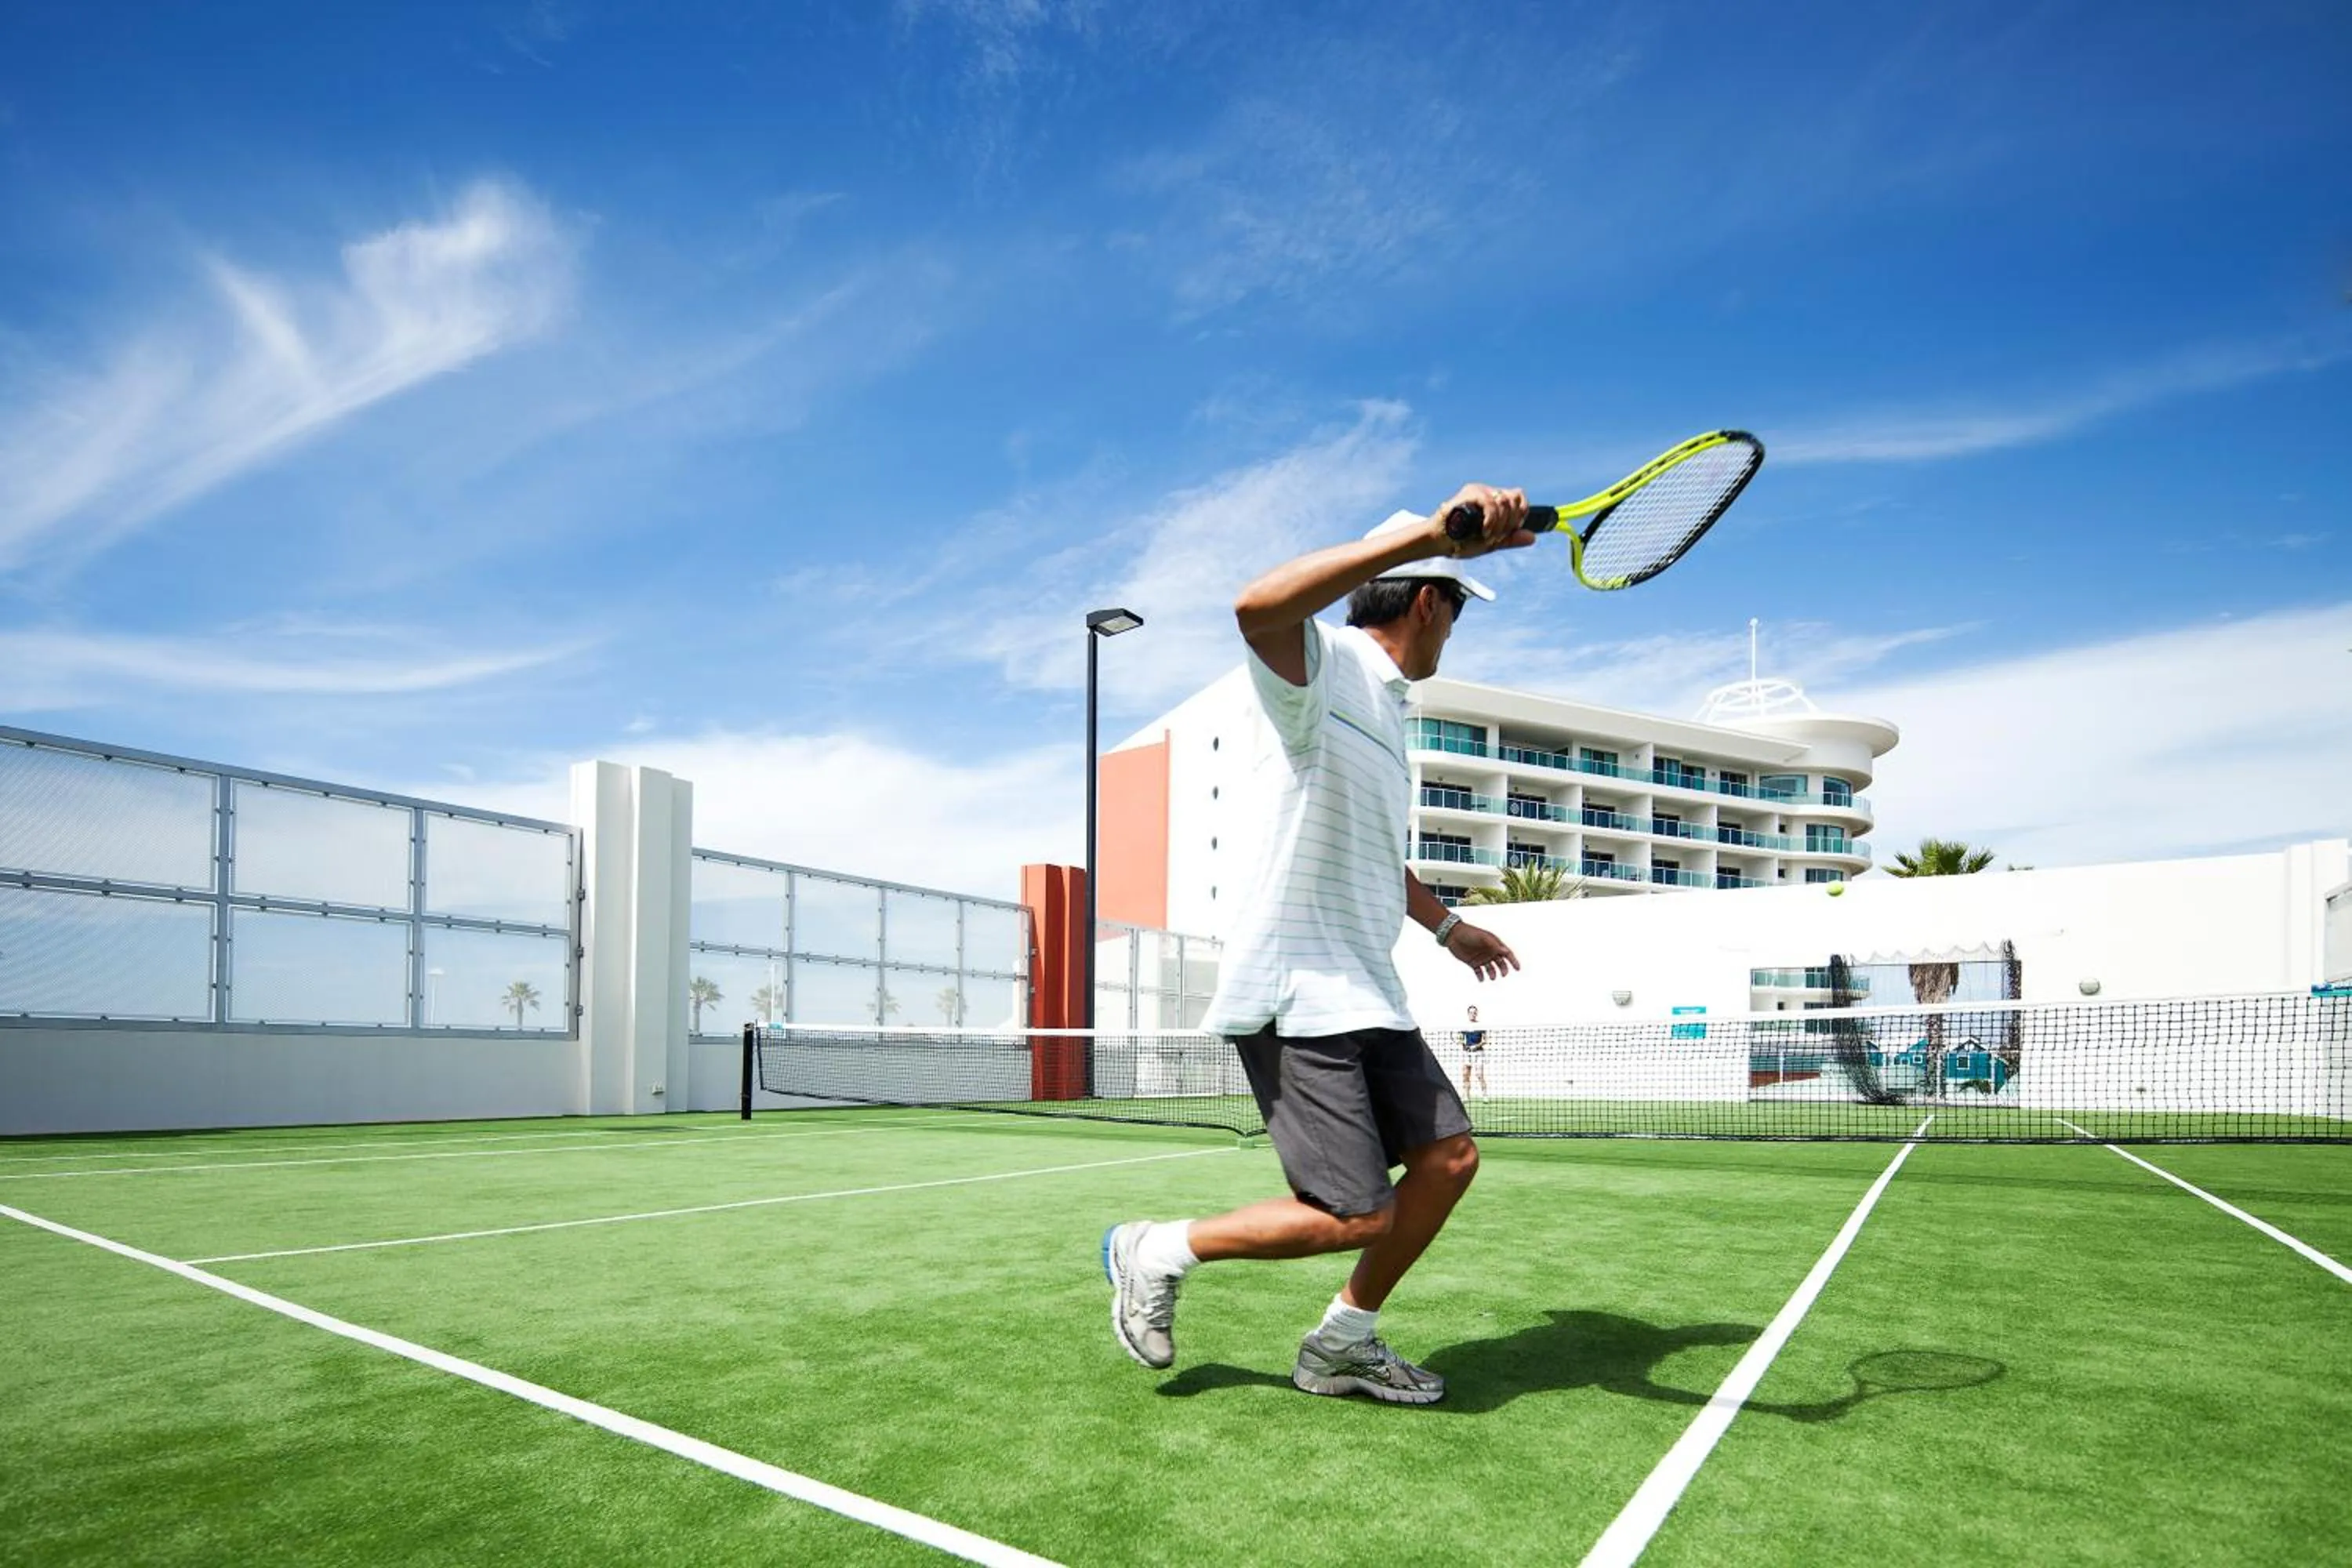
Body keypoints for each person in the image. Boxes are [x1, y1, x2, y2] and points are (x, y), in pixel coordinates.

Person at [1102, 486, 1533, 1405]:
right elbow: (1254, 606)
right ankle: (1157, 1247)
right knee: (1356, 1212)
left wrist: (1450, 927)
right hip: (1298, 992)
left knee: (1449, 1159)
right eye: (1456, 609)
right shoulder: (1324, 667)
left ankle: (1342, 1341)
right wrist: (1428, 533)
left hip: (1367, 986)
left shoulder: (1386, 715)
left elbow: (1376, 853)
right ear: (1429, 601)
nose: (1455, 631)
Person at [1460, 1005, 1486, 1098]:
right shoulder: (1464, 1026)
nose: (1473, 1014)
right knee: (1466, 1075)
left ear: (1477, 1014)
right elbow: (1461, 1039)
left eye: (1474, 1013)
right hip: (1467, 1053)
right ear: (1468, 1014)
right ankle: (1466, 1096)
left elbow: (1485, 1040)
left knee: (1479, 1074)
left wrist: (1476, 1046)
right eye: (1471, 1013)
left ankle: (1485, 1095)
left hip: (1478, 1053)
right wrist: (1464, 1045)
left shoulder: (1481, 1026)